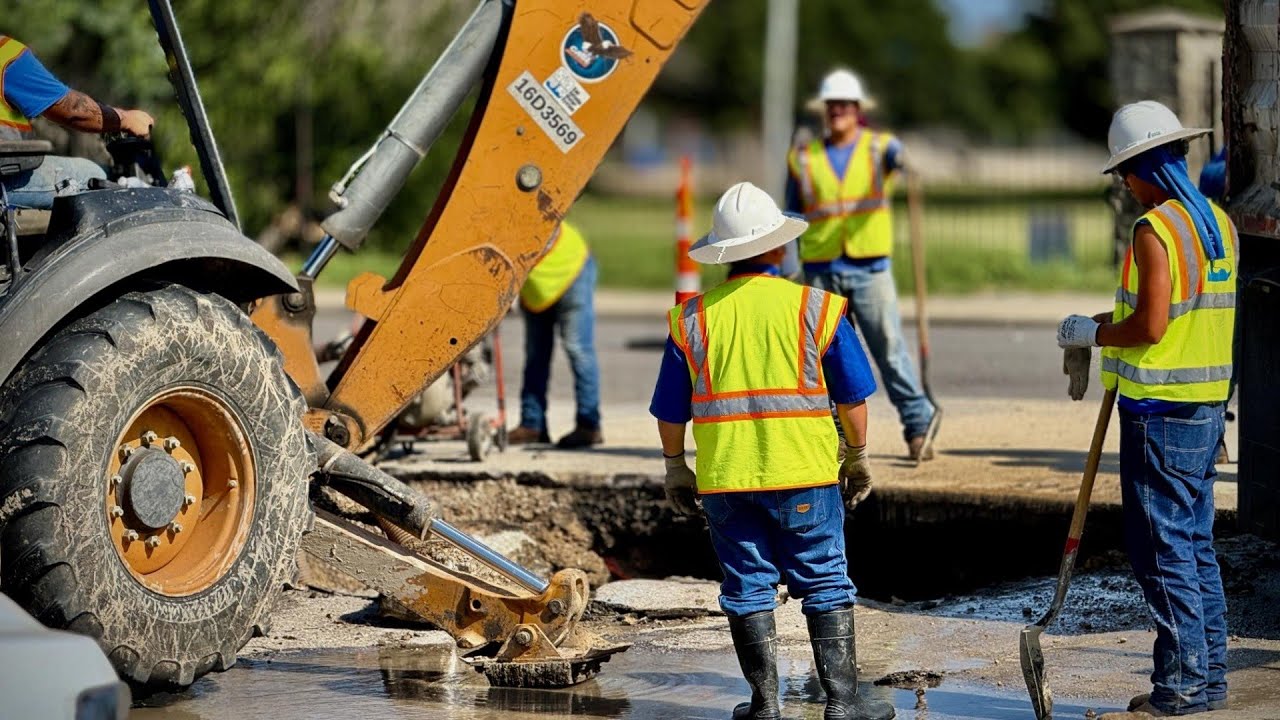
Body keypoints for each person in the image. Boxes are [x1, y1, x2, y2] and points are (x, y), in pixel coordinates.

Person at [652, 181, 894, 720]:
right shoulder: (818, 308)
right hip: (804, 474)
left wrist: (675, 468)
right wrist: (857, 455)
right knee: (825, 578)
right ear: (779, 247)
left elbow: (671, 411)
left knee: (746, 586)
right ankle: (843, 703)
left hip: (726, 482)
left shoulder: (691, 320)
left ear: (723, 254)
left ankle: (765, 705)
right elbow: (853, 398)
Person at [1057, 100, 1234, 717]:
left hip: (1159, 414)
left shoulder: (1154, 230)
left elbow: (1152, 325)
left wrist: (1099, 338)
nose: (1123, 188)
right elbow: (1178, 313)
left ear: (1143, 169)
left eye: (1122, 176)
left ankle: (1179, 686)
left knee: (1163, 552)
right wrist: (1091, 326)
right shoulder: (1215, 221)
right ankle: (1209, 680)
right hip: (1205, 409)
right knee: (1196, 547)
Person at [785, 68, 937, 461]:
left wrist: (903, 161)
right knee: (827, 356)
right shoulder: (803, 157)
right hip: (820, 264)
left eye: (844, 105)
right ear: (824, 109)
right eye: (831, 105)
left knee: (887, 347)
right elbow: (791, 211)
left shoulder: (878, 147)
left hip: (868, 266)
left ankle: (918, 423)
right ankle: (835, 435)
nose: (837, 111)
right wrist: (786, 261)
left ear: (857, 109)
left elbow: (895, 158)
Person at [0, 35, 153, 208]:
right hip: (4, 181)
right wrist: (126, 119)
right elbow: (73, 109)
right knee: (94, 174)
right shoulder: (5, 53)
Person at [507, 220, 603, 449]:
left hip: (571, 267)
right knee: (535, 354)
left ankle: (589, 426)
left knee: (577, 349)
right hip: (536, 282)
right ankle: (532, 425)